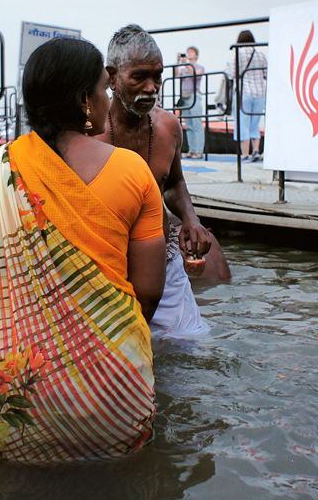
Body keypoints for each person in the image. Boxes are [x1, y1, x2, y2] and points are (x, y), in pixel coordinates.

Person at [0, 35, 165, 463]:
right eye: (102, 90)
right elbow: (147, 292)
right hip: (114, 401)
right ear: (85, 100)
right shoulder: (132, 170)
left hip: (9, 410)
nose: (107, 99)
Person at [97, 25, 231, 337]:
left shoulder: (169, 127)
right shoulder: (91, 132)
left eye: (157, 76)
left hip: (162, 255)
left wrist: (191, 218)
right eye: (139, 76)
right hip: (107, 260)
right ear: (112, 78)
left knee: (190, 346)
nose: (151, 86)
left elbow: (172, 184)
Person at [226, 30, 267, 162]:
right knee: (255, 123)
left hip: (245, 91)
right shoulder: (260, 54)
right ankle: (256, 151)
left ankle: (245, 154)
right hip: (260, 92)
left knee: (243, 122)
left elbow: (231, 74)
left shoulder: (238, 53)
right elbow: (266, 74)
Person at [176, 47, 205, 159]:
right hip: (185, 97)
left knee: (197, 124)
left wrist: (186, 64)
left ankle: (199, 151)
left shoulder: (199, 68)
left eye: (191, 52)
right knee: (188, 125)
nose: (189, 54)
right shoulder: (184, 69)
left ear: (196, 55)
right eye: (188, 52)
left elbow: (195, 74)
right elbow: (176, 74)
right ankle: (191, 150)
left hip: (194, 95)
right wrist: (178, 62)